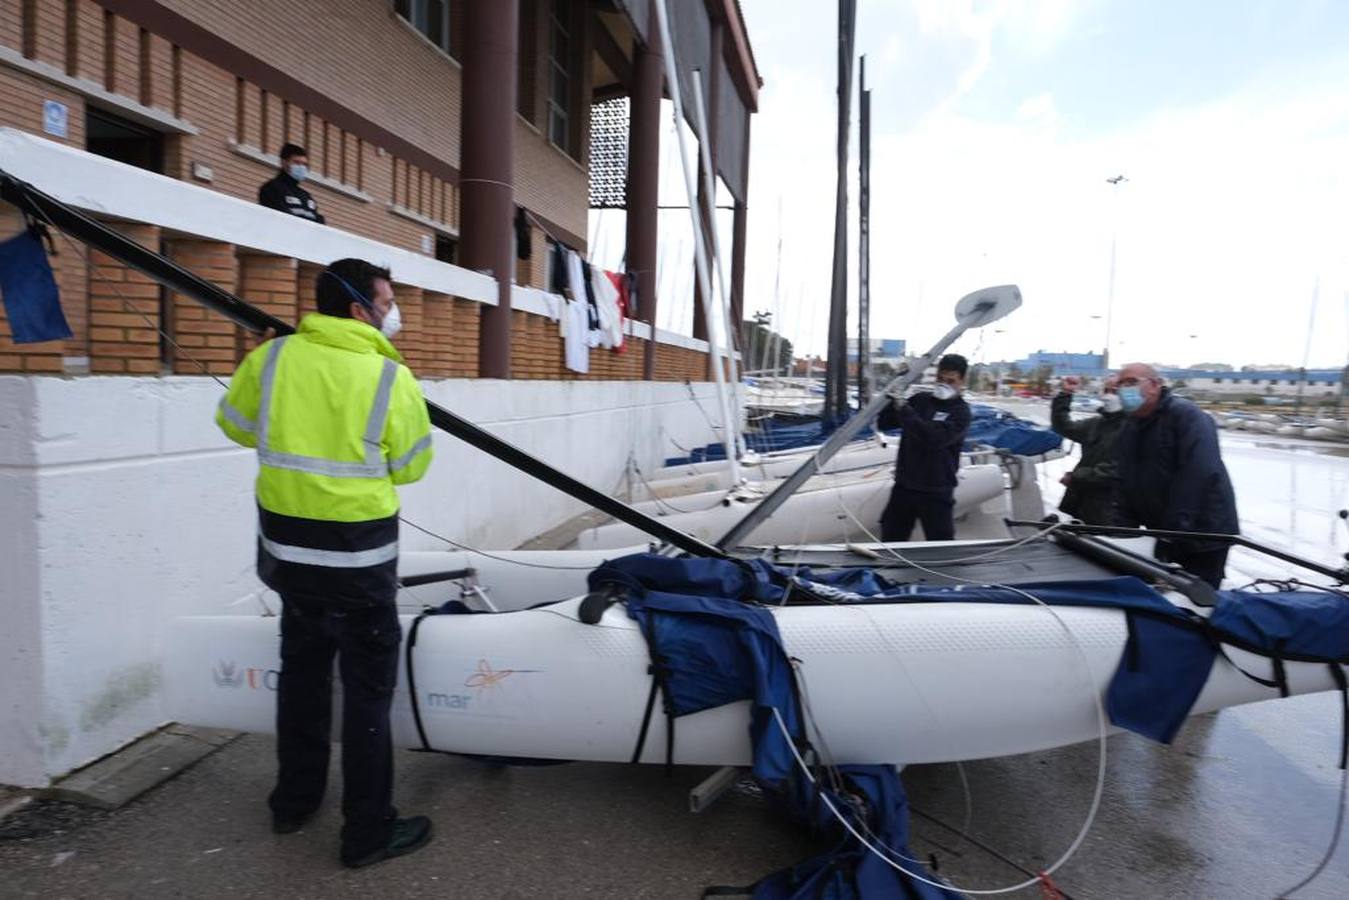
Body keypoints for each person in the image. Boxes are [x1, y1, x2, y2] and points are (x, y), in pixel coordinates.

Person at [215, 258, 434, 867]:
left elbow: (234, 424)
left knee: (304, 679)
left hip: (291, 562)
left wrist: (257, 366)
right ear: (360, 309)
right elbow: (413, 465)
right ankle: (366, 833)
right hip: (360, 565)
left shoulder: (274, 358)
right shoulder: (389, 377)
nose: (393, 313)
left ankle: (293, 803)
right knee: (367, 694)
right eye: (386, 301)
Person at [1113, 362, 1238, 588]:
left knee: (1197, 602)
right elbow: (1124, 479)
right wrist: (1121, 532)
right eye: (1120, 384)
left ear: (1155, 385)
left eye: (1131, 382)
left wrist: (1172, 532)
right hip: (1164, 532)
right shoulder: (1130, 426)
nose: (1124, 389)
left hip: (1202, 533)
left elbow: (1199, 473)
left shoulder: (1186, 416)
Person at [876, 353, 973, 541]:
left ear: (962, 381)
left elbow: (934, 438)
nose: (943, 384)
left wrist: (904, 408)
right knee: (891, 535)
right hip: (905, 485)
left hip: (936, 490)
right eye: (940, 379)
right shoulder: (921, 400)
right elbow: (885, 423)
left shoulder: (961, 412)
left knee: (940, 542)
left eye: (950, 381)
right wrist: (892, 395)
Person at [1050, 374, 1125, 524]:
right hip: (1082, 503)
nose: (1109, 395)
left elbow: (1114, 471)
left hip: (1110, 510)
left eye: (1115, 391)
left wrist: (1075, 477)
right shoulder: (1095, 424)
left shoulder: (1133, 428)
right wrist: (1066, 395)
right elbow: (1064, 426)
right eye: (1106, 390)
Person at [258, 144, 325, 224]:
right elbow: (280, 219)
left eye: (304, 164)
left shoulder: (306, 196)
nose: (301, 167)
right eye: (296, 162)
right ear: (283, 162)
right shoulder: (271, 188)